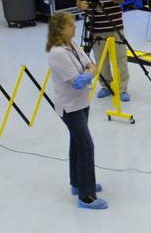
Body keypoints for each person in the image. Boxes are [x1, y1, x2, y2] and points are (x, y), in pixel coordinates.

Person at [45, 12, 106, 209]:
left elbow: (91, 65)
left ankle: (78, 182)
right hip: (70, 107)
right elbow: (78, 82)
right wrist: (90, 72)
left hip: (81, 103)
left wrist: (89, 71)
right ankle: (86, 196)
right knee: (87, 146)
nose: (75, 27)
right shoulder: (58, 53)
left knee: (77, 143)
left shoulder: (72, 44)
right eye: (71, 25)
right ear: (60, 29)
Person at [77, 0, 131, 102]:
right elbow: (78, 1)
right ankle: (106, 85)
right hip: (96, 26)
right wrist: (82, 5)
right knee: (101, 59)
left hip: (114, 25)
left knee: (120, 58)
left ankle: (122, 88)